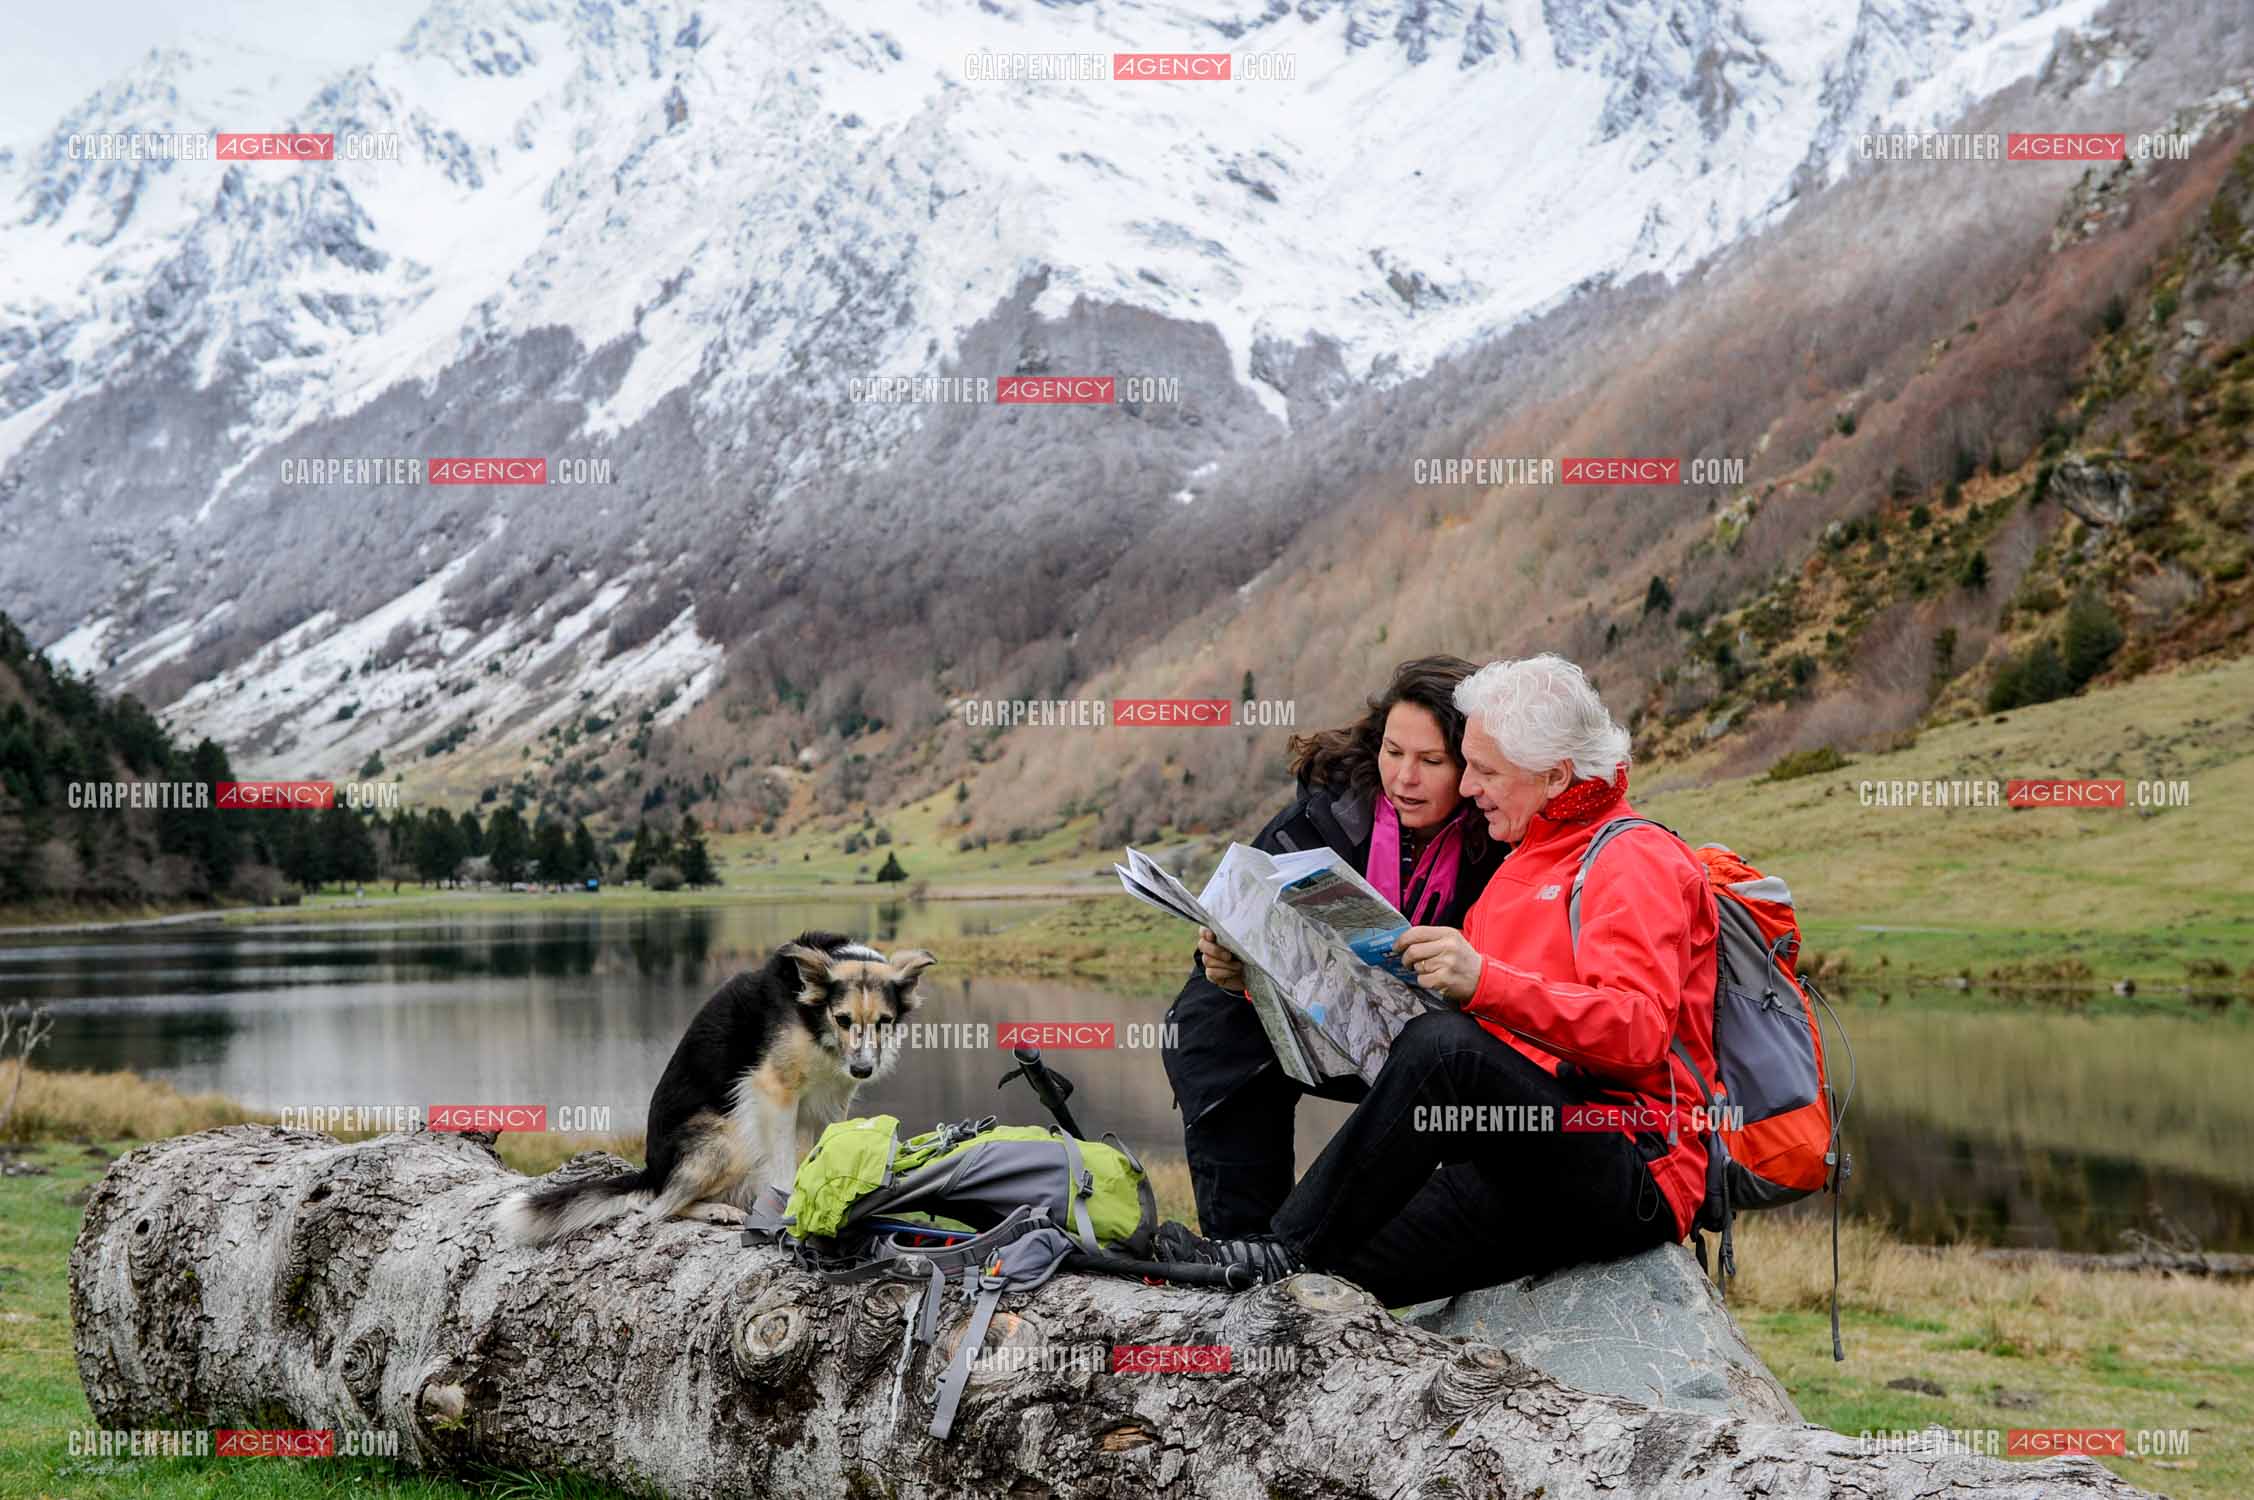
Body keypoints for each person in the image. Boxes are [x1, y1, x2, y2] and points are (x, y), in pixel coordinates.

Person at [1159, 653, 1720, 1306]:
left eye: (1484, 770)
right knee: (1326, 1278)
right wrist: (1259, 976)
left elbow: (1639, 1032)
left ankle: (1279, 1250)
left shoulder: (1633, 858)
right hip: (1512, 1159)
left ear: (1555, 775)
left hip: (1631, 1165)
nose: (1471, 788)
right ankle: (1254, 1263)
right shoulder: (1520, 863)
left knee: (1443, 1046)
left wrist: (1483, 981)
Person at [1159, 656, 1510, 1239]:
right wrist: (1222, 962)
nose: (1404, 778)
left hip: (1430, 1041)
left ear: (1473, 766)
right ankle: (1245, 1246)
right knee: (1210, 1025)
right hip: (1308, 1018)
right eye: (1393, 752)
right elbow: (1238, 913)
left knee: (1457, 1059)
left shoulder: (1504, 833)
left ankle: (1401, 1245)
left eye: (1431, 761)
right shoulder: (1325, 812)